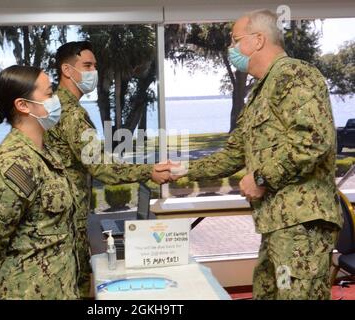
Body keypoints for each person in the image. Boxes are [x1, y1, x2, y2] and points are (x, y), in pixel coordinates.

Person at [172, 9, 343, 299]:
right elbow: (233, 154)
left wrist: (260, 178)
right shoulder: (260, 93)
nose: (231, 48)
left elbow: (313, 141)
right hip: (277, 226)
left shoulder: (295, 74)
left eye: (235, 40)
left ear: (259, 40)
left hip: (302, 225)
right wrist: (181, 170)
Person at [45, 41, 175, 297]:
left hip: (62, 220)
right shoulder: (70, 114)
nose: (94, 71)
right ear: (67, 70)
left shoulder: (54, 107)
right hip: (67, 224)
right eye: (87, 65)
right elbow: (102, 168)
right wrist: (148, 171)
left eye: (95, 65)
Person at [0, 65, 81, 299]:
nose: (56, 99)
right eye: (49, 94)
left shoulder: (43, 152)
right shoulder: (13, 164)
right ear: (23, 105)